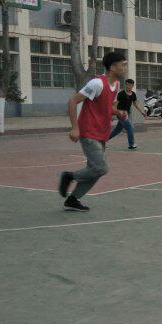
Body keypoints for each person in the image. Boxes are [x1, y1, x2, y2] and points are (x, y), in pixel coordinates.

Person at [58, 51, 127, 211]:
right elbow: (73, 101)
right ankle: (69, 176)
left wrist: (118, 112)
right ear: (112, 67)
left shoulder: (116, 85)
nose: (125, 68)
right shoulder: (97, 83)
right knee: (101, 168)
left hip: (102, 133)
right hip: (89, 131)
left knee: (95, 170)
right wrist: (75, 128)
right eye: (123, 65)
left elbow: (108, 107)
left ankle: (73, 200)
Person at [108, 78, 146, 149]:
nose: (128, 86)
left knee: (117, 130)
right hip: (120, 113)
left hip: (126, 113)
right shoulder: (121, 94)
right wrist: (112, 115)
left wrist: (142, 111)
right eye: (127, 85)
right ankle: (131, 145)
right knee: (130, 127)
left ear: (132, 86)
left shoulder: (133, 94)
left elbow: (135, 103)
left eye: (130, 85)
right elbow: (115, 105)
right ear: (125, 85)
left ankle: (103, 141)